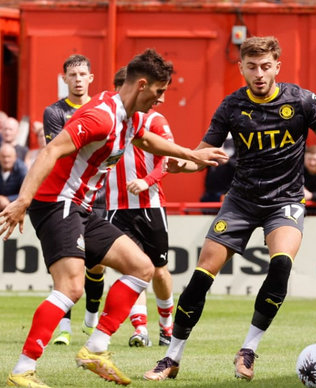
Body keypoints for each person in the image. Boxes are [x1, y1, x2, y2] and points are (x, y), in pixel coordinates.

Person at [143, 36, 316, 382]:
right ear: (242, 68)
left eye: (266, 66)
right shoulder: (232, 106)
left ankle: (248, 349)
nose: (259, 74)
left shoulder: (302, 100)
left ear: (278, 65)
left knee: (280, 266)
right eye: (252, 67)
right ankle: (172, 357)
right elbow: (205, 154)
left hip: (286, 201)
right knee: (202, 274)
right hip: (241, 201)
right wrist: (182, 164)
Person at [2, 48, 228, 388]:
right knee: (71, 287)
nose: (162, 100)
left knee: (142, 267)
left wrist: (191, 154)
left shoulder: (129, 116)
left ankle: (96, 347)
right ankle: (23, 369)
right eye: (159, 91)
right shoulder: (102, 117)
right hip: (55, 202)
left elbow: (148, 141)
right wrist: (23, 200)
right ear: (141, 85)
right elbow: (51, 150)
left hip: (82, 206)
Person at [107, 66, 175, 348]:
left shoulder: (156, 120)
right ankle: (139, 329)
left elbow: (167, 158)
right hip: (115, 206)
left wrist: (148, 181)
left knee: (158, 269)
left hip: (149, 205)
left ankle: (166, 326)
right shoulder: (108, 120)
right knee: (132, 269)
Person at [43, 54, 104, 345]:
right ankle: (63, 327)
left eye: (83, 74)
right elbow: (60, 150)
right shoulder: (54, 112)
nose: (78, 79)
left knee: (97, 266)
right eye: (73, 75)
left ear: (90, 78)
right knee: (68, 265)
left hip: (98, 195)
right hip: (65, 196)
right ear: (64, 79)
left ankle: (91, 320)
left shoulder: (101, 108)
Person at [200, 133, 236, 203]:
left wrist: (227, 161)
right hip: (210, 191)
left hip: (229, 191)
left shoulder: (239, 140)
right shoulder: (212, 141)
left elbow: (243, 164)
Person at [0, 143, 27, 211]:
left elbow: (27, 193)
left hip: (16, 208)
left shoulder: (22, 169)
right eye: (3, 156)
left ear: (15, 157)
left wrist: (8, 199)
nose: (6, 160)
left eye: (9, 157)